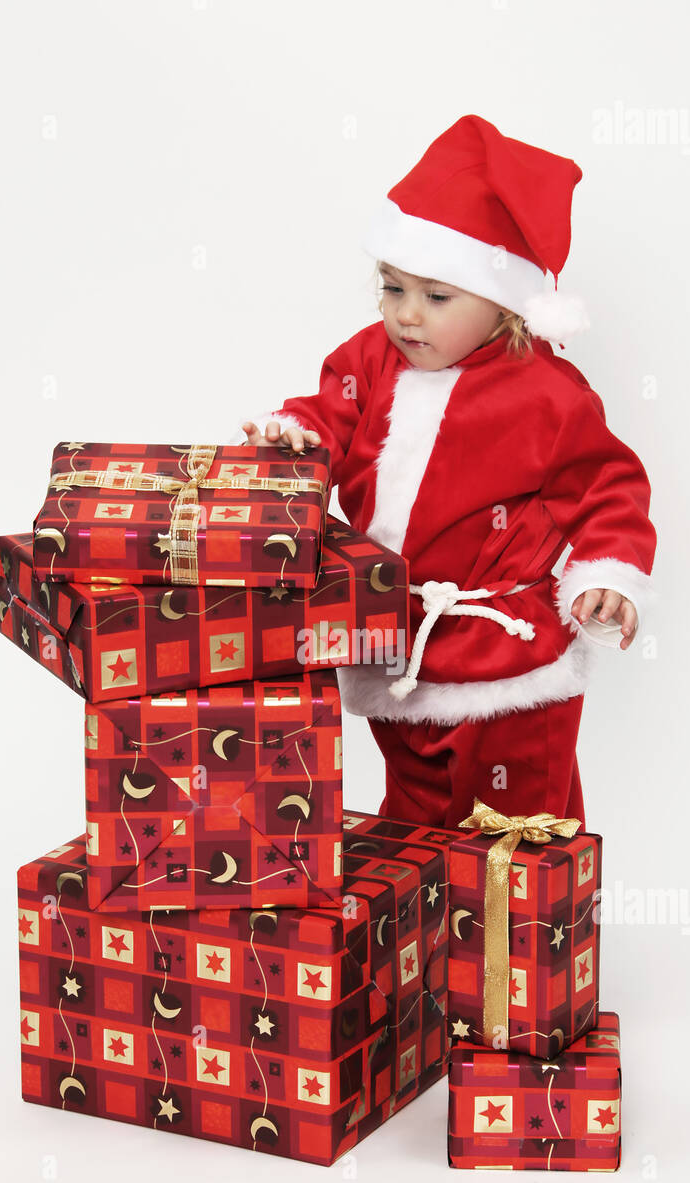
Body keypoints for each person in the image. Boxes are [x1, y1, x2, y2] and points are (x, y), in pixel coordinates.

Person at [235, 115, 657, 830]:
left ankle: (519, 939)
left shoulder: (546, 393)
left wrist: (607, 576)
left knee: (513, 834)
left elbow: (607, 485)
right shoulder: (371, 359)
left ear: (504, 305)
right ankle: (428, 933)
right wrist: (292, 442)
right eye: (392, 287)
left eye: (436, 296)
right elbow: (326, 418)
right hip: (395, 645)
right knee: (416, 823)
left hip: (508, 665)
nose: (406, 315)